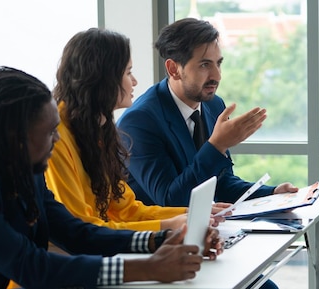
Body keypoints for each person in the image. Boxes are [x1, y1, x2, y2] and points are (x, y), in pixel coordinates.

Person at [0, 67, 223, 288]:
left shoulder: (25, 166)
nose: (56, 139)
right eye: (49, 132)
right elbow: (28, 264)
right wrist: (145, 268)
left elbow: (75, 233)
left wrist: (161, 240)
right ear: (16, 137)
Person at [45, 28, 228, 232]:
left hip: (101, 244)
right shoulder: (57, 136)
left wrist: (189, 213)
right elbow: (79, 227)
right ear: (102, 77)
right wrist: (167, 226)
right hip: (73, 255)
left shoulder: (97, 129)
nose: (134, 82)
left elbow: (127, 210)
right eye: (128, 72)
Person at [117, 17, 298, 207]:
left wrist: (273, 193)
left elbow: (221, 184)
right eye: (205, 65)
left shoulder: (213, 105)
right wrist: (217, 146)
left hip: (198, 227)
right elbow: (171, 200)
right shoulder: (139, 122)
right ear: (173, 69)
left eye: (218, 63)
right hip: (156, 232)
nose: (217, 76)